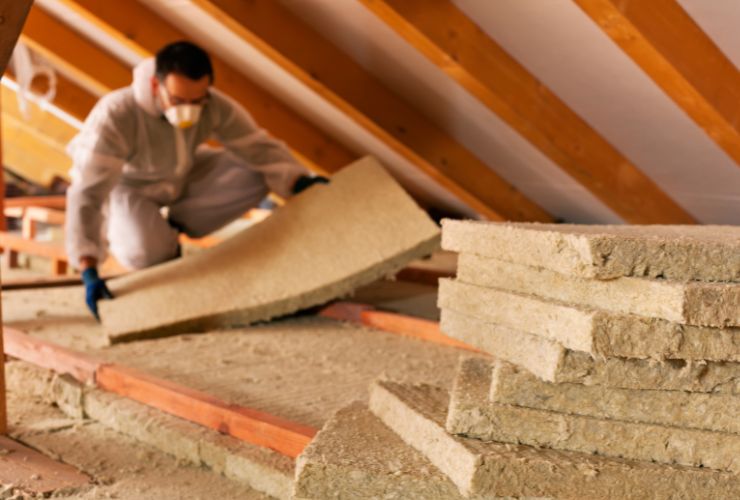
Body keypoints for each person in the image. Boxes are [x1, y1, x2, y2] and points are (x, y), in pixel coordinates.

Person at [65, 41, 328, 320]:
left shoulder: (213, 105)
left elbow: (257, 147)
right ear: (156, 85)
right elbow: (87, 191)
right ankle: (159, 243)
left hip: (183, 174)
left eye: (196, 101)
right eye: (178, 101)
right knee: (144, 251)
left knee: (257, 169)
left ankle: (173, 227)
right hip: (129, 187)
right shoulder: (117, 113)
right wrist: (88, 267)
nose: (188, 110)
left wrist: (299, 181)